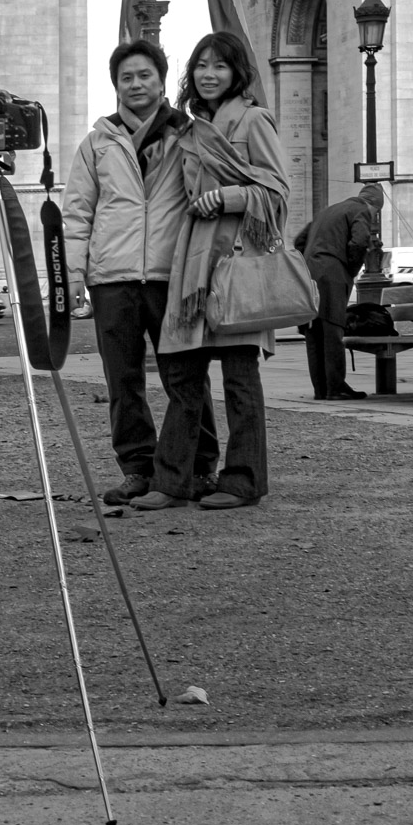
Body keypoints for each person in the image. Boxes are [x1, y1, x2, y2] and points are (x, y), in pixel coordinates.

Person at [131, 32, 290, 512]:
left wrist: (228, 196)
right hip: (193, 262)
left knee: (240, 379)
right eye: (201, 65)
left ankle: (243, 481)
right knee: (182, 376)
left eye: (219, 65)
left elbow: (279, 191)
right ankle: (174, 479)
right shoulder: (190, 129)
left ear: (236, 71)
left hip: (237, 262)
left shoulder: (254, 119)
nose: (209, 74)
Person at [63, 39, 219, 506]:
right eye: (126, 77)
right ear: (116, 85)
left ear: (162, 80)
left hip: (173, 274)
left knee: (185, 378)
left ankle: (201, 464)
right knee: (122, 380)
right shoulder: (97, 143)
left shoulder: (189, 134)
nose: (136, 84)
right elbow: (77, 213)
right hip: (113, 275)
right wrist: (74, 276)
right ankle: (137, 468)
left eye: (144, 75)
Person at [298, 185, 384, 400]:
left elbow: (299, 241)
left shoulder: (328, 210)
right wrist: (351, 269)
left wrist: (307, 263)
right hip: (332, 274)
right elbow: (358, 242)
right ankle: (335, 388)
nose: (373, 217)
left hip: (309, 273)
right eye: (376, 213)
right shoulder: (361, 211)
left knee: (313, 332)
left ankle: (321, 388)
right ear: (373, 206)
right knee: (333, 331)